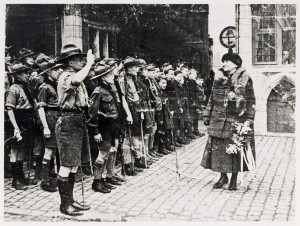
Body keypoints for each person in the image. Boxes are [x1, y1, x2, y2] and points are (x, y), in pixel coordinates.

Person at [201, 52, 256, 191]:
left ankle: (234, 178)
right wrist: (207, 114)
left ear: (236, 64)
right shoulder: (218, 79)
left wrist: (249, 118)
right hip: (218, 120)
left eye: (227, 62)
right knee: (219, 151)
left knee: (234, 150)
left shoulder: (245, 79)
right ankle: (223, 177)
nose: (224, 64)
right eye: (223, 61)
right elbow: (211, 99)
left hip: (235, 120)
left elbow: (251, 101)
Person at [55, 44, 94, 216]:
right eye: (80, 59)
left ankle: (70, 200)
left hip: (77, 119)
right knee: (66, 165)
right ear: (71, 62)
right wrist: (89, 65)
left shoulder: (74, 73)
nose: (83, 61)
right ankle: (65, 205)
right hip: (69, 121)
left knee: (73, 165)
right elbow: (77, 81)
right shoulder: (66, 76)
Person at [88, 59, 132, 193]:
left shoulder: (111, 88)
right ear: (104, 77)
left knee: (112, 151)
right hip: (103, 126)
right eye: (110, 74)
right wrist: (95, 131)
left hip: (114, 125)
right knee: (102, 154)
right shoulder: (98, 91)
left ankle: (109, 176)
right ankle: (97, 181)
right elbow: (92, 114)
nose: (114, 75)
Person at [5, 62, 35, 190]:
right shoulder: (13, 89)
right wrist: (15, 127)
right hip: (18, 120)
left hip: (27, 120)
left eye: (27, 73)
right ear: (17, 75)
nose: (27, 75)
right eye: (23, 73)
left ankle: (21, 176)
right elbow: (9, 109)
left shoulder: (26, 87)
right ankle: (15, 180)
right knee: (15, 150)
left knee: (23, 149)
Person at [36, 58, 63, 192]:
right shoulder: (44, 87)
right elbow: (41, 109)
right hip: (50, 118)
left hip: (58, 117)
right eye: (55, 70)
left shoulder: (55, 84)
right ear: (48, 72)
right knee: (49, 150)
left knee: (55, 149)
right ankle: (45, 181)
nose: (59, 71)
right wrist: (45, 126)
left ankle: (53, 177)